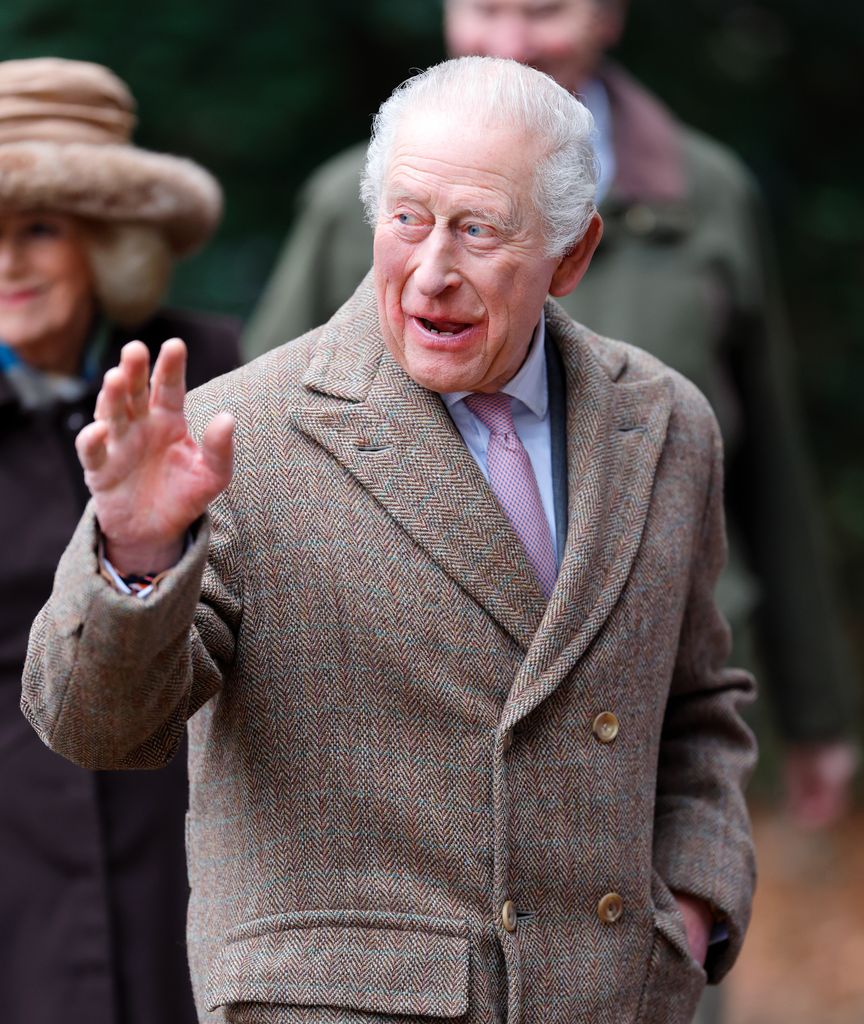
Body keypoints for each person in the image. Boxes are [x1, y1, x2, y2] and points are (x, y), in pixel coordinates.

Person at [24, 57, 754, 1024]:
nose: (432, 270)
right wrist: (135, 551)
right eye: (406, 219)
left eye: (480, 230)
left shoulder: (666, 423)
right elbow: (99, 729)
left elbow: (698, 707)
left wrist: (693, 908)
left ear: (572, 256)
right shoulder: (239, 432)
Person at [245, 0, 860, 829]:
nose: (510, 43)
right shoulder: (355, 202)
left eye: (543, 10)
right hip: (421, 725)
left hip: (656, 707)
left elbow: (768, 469)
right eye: (485, 9)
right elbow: (257, 451)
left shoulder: (706, 195)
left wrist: (817, 711)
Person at [0, 57, 240, 1024]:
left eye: (40, 229)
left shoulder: (214, 372)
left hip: (178, 832)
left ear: (110, 240)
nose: (8, 262)